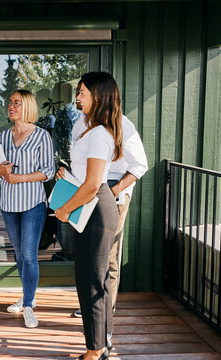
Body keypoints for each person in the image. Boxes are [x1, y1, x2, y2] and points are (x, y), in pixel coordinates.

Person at [55, 72, 123, 360]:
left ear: (99, 96)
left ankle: (94, 350)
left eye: (82, 92)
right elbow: (86, 175)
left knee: (92, 280)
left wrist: (66, 208)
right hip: (90, 207)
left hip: (95, 209)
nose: (77, 97)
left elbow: (94, 184)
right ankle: (102, 342)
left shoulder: (99, 134)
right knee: (93, 278)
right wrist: (67, 174)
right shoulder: (88, 127)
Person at [70, 97, 148, 318]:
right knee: (87, 254)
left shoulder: (123, 125)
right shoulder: (80, 124)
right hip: (84, 191)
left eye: (82, 92)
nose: (77, 97)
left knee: (108, 256)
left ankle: (105, 312)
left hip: (112, 193)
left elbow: (140, 164)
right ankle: (89, 305)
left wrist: (114, 191)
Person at [0, 90, 55, 328]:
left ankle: (28, 305)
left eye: (16, 103)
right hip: (9, 204)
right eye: (10, 103)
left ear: (27, 106)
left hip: (32, 204)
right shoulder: (3, 136)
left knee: (29, 255)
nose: (11, 106)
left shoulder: (41, 136)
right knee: (18, 255)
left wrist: (21, 177)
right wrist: (1, 171)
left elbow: (48, 170)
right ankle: (28, 296)